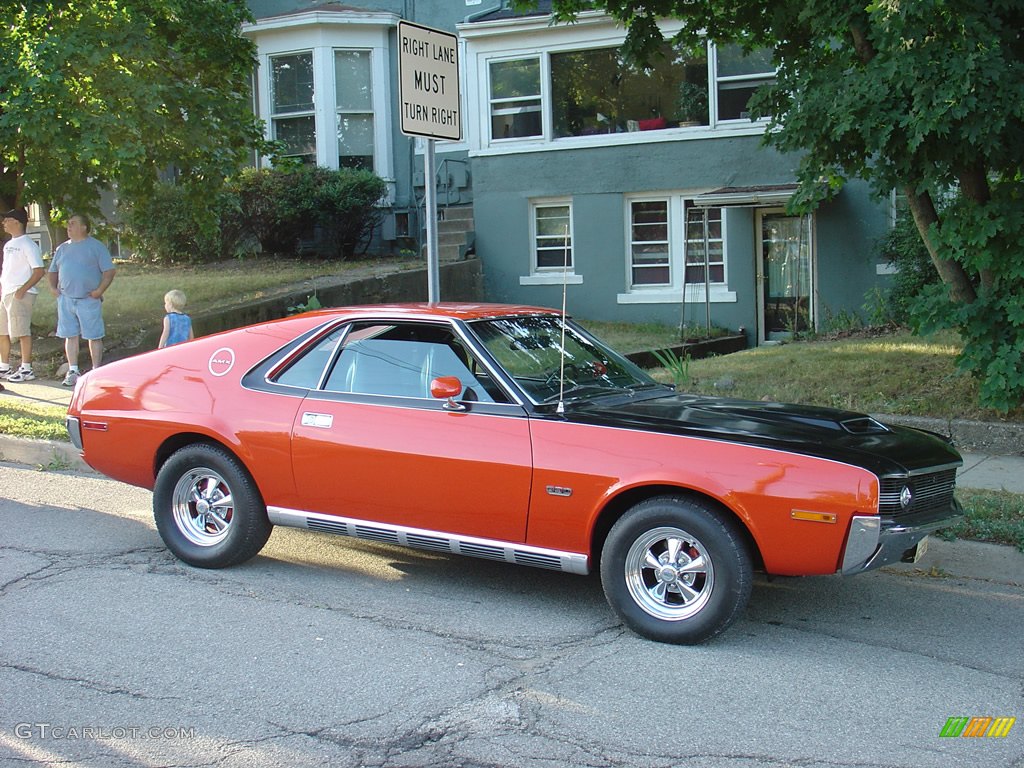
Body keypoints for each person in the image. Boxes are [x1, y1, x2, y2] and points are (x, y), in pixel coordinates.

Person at [47, 214, 116, 386]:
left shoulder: (96, 247)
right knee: (70, 336)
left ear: (84, 227)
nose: (68, 227)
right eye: (68, 224)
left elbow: (109, 272)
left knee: (94, 336)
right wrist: (53, 288)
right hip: (66, 300)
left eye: (73, 224)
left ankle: (96, 371)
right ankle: (73, 370)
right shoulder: (62, 248)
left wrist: (99, 290)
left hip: (88, 300)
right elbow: (52, 271)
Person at [0, 208, 46, 382]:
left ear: (17, 223)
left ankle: (26, 368)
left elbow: (39, 271)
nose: (4, 223)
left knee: (22, 331)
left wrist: (22, 290)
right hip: (7, 292)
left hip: (20, 294)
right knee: (2, 330)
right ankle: (4, 366)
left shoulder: (28, 244)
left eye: (7, 220)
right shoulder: (9, 244)